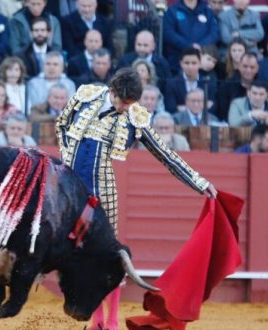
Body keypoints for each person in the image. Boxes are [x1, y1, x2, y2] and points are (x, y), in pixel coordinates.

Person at [56, 67, 217, 330]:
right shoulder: (86, 95)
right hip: (67, 187)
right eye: (122, 102)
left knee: (109, 255)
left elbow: (165, 154)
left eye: (130, 104)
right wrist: (66, 160)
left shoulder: (134, 117)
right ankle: (92, 316)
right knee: (70, 250)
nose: (124, 109)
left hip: (102, 192)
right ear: (112, 91)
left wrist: (199, 183)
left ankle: (108, 321)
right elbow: (62, 124)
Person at [162, 0, 219, 74]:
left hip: (203, 64)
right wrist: (189, 46)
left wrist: (201, 46)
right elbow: (168, 33)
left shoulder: (207, 11)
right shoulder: (172, 10)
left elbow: (214, 33)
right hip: (177, 65)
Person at [164, 47, 217, 114]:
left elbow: (212, 109)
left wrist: (183, 108)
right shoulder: (172, 84)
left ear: (200, 64)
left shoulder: (208, 83)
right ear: (181, 64)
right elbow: (171, 109)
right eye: (187, 63)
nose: (190, 67)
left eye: (194, 63)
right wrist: (200, 107)